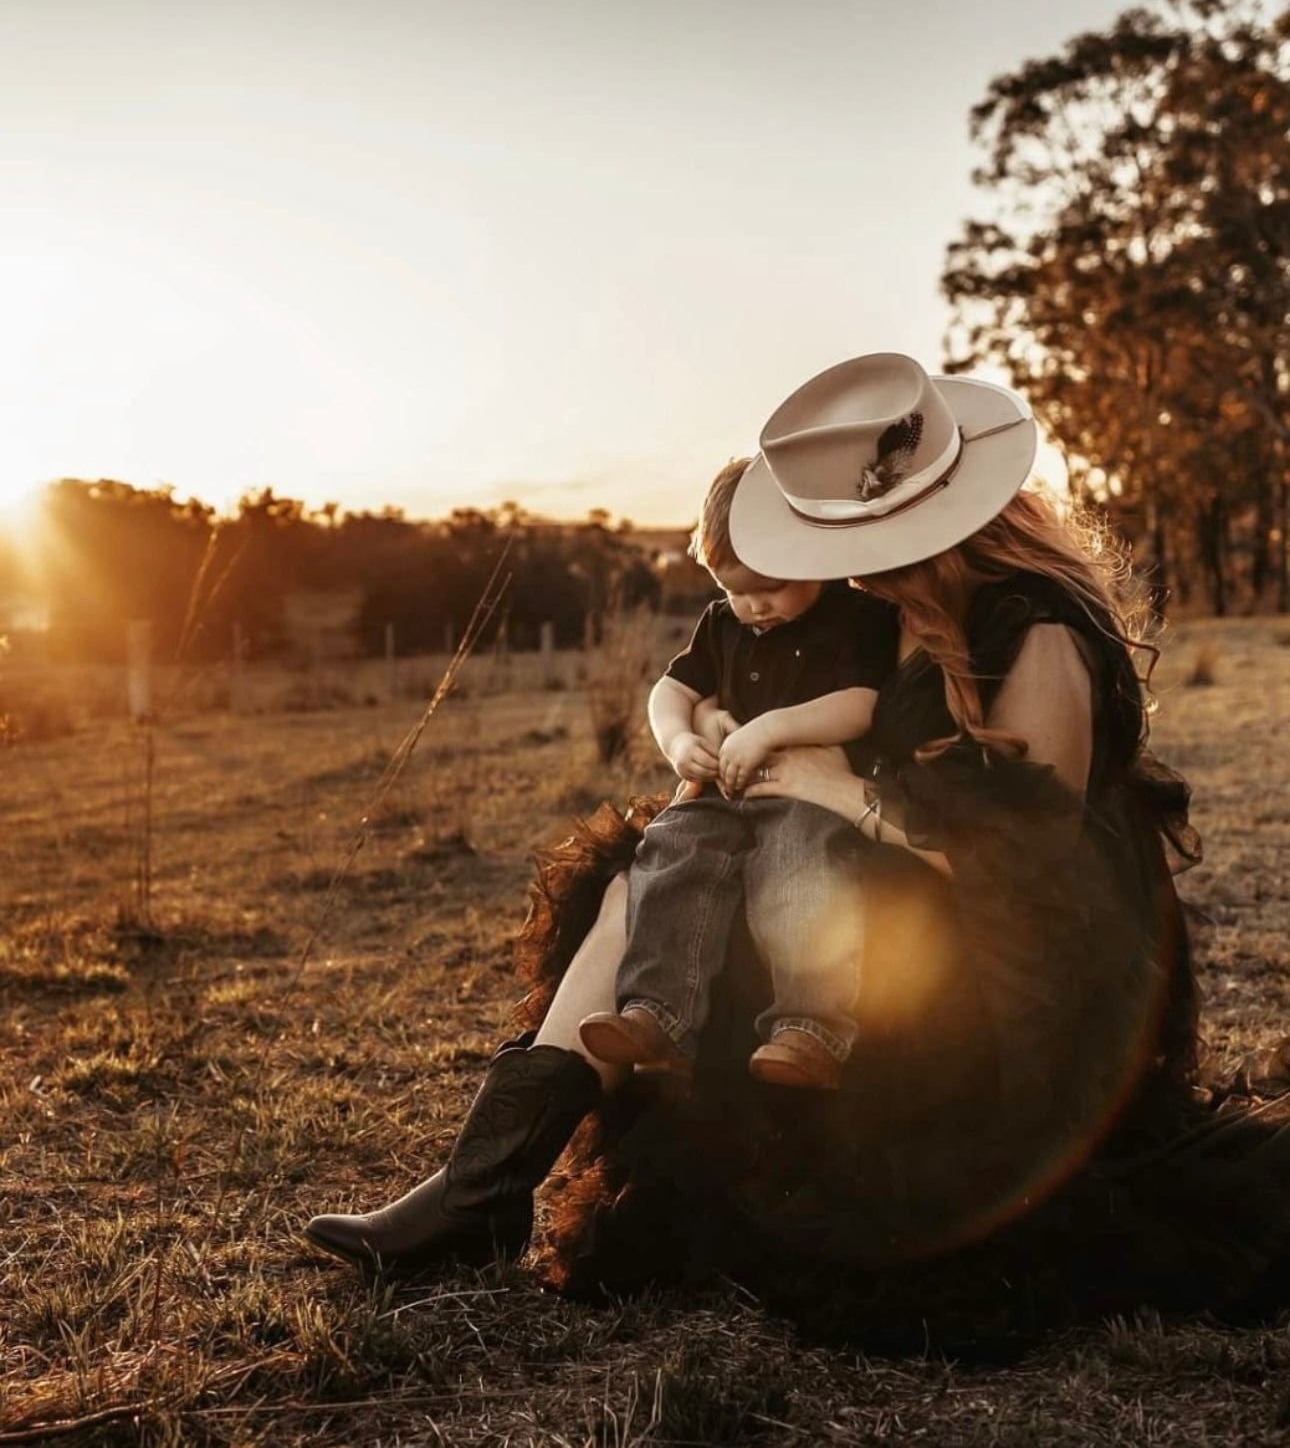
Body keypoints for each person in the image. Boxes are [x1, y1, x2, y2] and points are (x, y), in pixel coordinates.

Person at [306, 352, 1290, 1340]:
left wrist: (834, 788)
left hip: (1010, 965)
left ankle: (504, 1175)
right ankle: (483, 1180)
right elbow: (819, 723)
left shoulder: (1035, 635)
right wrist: (743, 745)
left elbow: (1025, 875)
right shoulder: (894, 610)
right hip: (873, 882)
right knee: (638, 873)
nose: (839, 566)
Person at [578, 457, 897, 1090]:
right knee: (673, 851)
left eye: (770, 585)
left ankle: (810, 1028)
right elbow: (669, 690)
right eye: (732, 587)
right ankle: (660, 1017)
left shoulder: (856, 616)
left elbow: (863, 704)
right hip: (726, 788)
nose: (753, 604)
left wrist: (771, 728)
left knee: (796, 871)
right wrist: (679, 739)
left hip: (808, 793)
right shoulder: (724, 624)